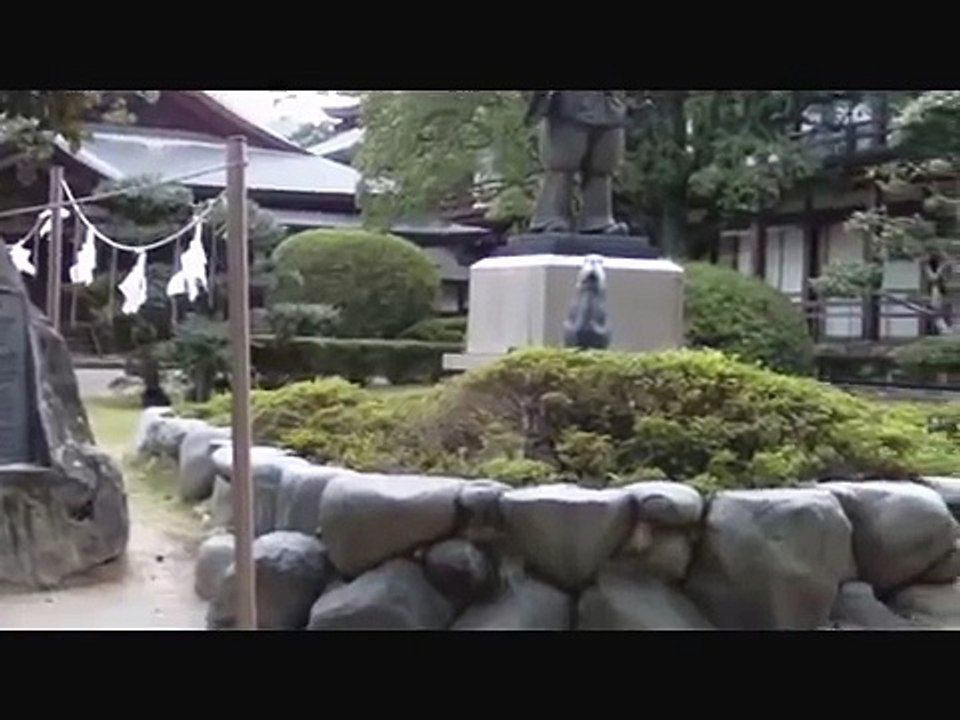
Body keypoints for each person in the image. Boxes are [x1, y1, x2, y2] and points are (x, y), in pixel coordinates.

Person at [525, 91, 629, 235]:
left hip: (609, 105)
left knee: (602, 166)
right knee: (562, 165)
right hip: (567, 105)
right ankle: (551, 216)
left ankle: (598, 218)